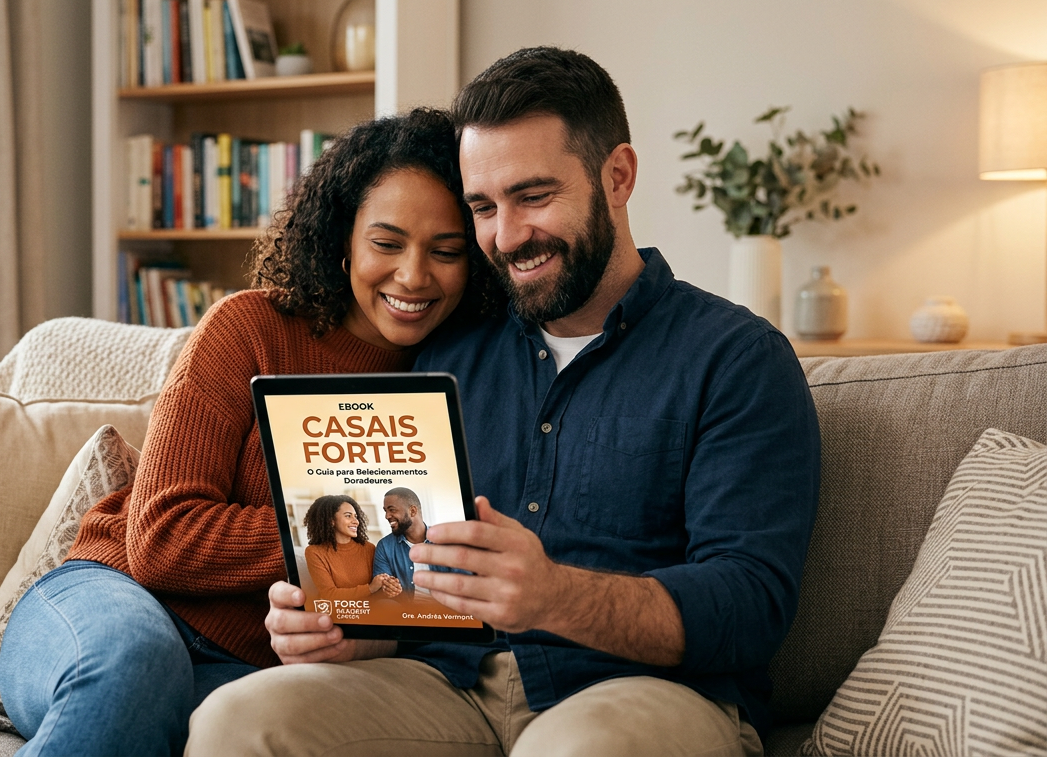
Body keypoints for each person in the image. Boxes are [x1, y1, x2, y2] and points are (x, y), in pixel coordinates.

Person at [187, 48, 821, 757]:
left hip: (639, 694)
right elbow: (413, 591)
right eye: (484, 207)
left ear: (618, 176)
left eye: (534, 196)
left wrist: (556, 596)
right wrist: (345, 629)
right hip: (449, 689)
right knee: (236, 718)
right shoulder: (448, 357)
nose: (507, 235)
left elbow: (752, 602)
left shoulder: (735, 358)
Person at [0, 107, 503, 757]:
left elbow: (427, 589)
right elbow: (158, 538)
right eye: (386, 243)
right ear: (340, 237)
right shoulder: (250, 327)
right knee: (139, 669)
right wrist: (351, 538)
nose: (413, 275)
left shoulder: (470, 377)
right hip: (110, 600)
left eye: (447, 251)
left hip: (252, 665)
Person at [302, 495, 400, 600]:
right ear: (331, 520)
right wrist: (370, 588)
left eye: (356, 516)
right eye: (348, 516)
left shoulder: (368, 548)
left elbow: (378, 588)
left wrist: (390, 588)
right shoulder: (314, 552)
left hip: (370, 608)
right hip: (341, 612)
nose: (356, 521)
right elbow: (329, 595)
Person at [371, 487, 454, 598]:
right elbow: (381, 586)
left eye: (392, 510)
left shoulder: (446, 541)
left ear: (412, 511)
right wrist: (389, 588)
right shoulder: (385, 546)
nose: (387, 516)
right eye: (385, 511)